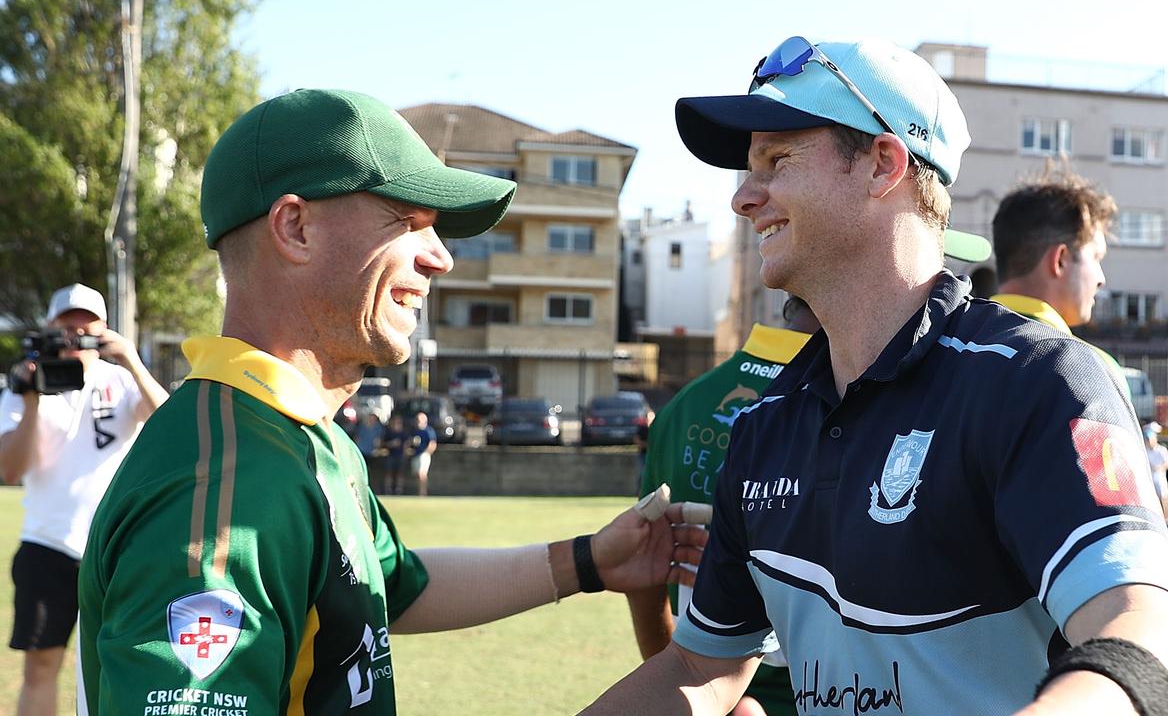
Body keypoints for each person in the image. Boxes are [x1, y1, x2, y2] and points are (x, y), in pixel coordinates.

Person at [585, 37, 1168, 715]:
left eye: (776, 159)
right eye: (747, 168)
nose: (744, 197)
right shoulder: (765, 424)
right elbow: (703, 665)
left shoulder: (1036, 380)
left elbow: (1149, 635)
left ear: (883, 163)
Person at [76, 88, 707, 715]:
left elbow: (394, 588)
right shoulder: (226, 488)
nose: (441, 259)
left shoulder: (305, 435)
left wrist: (591, 560)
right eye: (407, 222)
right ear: (295, 227)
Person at [627, 294, 817, 716]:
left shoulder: (682, 406)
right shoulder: (856, 400)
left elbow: (645, 566)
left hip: (704, 692)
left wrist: (691, 691)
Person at [0, 283, 168, 716]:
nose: (75, 334)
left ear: (104, 329)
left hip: (115, 550)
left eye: (86, 325)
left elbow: (169, 423)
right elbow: (10, 469)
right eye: (66, 325)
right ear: (50, 328)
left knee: (117, 669)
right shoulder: (24, 387)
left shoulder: (122, 380)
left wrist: (129, 357)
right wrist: (32, 399)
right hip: (48, 545)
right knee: (41, 670)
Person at [990, 168, 1130, 392]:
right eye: (1095, 257)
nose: (1101, 279)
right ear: (1061, 260)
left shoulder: (947, 346)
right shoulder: (1093, 370)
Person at [1143, 422, 1168, 527]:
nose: (1149, 442)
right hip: (1149, 477)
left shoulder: (1161, 450)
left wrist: (1159, 467)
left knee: (1163, 498)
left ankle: (1167, 520)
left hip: (1159, 476)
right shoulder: (1145, 451)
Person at [407, 411, 436, 497]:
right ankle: (420, 491)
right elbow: (410, 442)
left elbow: (432, 443)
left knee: (422, 474)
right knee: (417, 474)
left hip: (424, 455)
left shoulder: (428, 430)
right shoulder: (415, 431)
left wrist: (427, 453)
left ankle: (423, 493)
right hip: (415, 454)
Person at [355, 411, 385, 489]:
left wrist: (378, 448)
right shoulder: (362, 427)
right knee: (361, 470)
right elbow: (357, 438)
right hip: (362, 451)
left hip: (372, 452)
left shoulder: (378, 428)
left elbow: (379, 440)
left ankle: (371, 487)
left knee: (372, 471)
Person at [382, 412, 408, 495]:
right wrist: (391, 444)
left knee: (400, 473)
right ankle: (388, 489)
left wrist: (405, 446)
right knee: (388, 473)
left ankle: (398, 489)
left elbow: (408, 442)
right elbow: (382, 443)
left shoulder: (403, 432)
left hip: (400, 455)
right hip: (390, 455)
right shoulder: (389, 432)